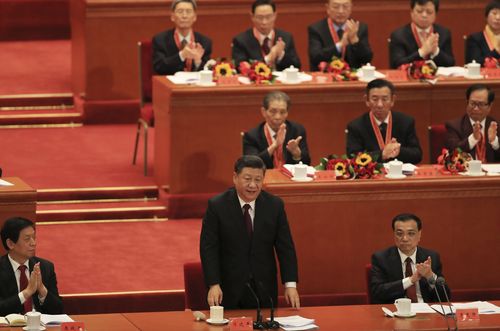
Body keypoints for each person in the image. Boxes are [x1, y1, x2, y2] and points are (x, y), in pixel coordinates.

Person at [200, 155, 300, 309]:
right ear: (235, 178)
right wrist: (214, 284)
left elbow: (285, 248)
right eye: (247, 179)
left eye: (258, 180)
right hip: (227, 289)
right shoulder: (217, 206)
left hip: (264, 288)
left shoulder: (274, 206)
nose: (253, 185)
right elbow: (208, 248)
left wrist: (290, 284)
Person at [370, 213, 450, 304]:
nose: (405, 238)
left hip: (426, 312)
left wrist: (430, 276)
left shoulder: (431, 257)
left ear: (419, 234)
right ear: (394, 234)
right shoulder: (381, 258)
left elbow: (445, 297)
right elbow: (377, 293)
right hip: (395, 311)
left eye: (411, 233)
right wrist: (411, 280)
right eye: (399, 233)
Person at [346, 79, 422, 164]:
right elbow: (353, 157)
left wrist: (398, 150)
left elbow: (417, 155)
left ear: (392, 100)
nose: (380, 105)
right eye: (374, 99)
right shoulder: (356, 126)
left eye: (385, 99)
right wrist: (382, 154)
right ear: (367, 100)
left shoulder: (406, 122)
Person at [0, 217, 63, 315]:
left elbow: (59, 310)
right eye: (27, 239)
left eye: (34, 237)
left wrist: (42, 290)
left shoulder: (45, 267)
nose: (33, 243)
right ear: (10, 243)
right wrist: (26, 293)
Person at [243, 91, 310, 169]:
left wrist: (297, 155)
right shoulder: (252, 136)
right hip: (264, 179)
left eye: (282, 112)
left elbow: (307, 164)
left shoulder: (297, 130)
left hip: (291, 179)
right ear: (264, 112)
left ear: (287, 113)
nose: (278, 117)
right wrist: (275, 145)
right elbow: (251, 165)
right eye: (273, 111)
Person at [232, 0, 301, 71]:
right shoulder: (240, 40)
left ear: (275, 16)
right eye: (260, 17)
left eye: (268, 17)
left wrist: (281, 55)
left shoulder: (286, 37)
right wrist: (269, 58)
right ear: (252, 17)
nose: (264, 22)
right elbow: (241, 69)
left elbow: (297, 66)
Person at [308, 0, 373, 71]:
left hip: (353, 76)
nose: (341, 11)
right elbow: (315, 57)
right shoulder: (316, 29)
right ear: (328, 8)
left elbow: (367, 59)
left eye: (345, 6)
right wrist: (340, 45)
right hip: (326, 76)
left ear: (351, 8)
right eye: (336, 7)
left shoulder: (359, 28)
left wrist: (355, 41)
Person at [389, 0, 454, 69]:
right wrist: (422, 52)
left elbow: (451, 63)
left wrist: (436, 51)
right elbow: (396, 64)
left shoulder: (443, 33)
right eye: (419, 11)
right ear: (412, 12)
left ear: (435, 14)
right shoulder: (399, 35)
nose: (424, 15)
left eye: (429, 12)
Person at [152, 0, 212, 75]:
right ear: (172, 16)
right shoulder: (160, 40)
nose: (184, 16)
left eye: (188, 11)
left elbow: (208, 72)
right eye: (180, 11)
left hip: (195, 86)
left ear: (195, 17)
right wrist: (182, 55)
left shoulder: (204, 42)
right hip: (170, 85)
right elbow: (159, 67)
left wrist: (197, 62)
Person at [445, 84, 500, 162]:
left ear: (490, 106)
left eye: (480, 104)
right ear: (467, 102)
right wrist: (473, 139)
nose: (476, 108)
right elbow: (453, 152)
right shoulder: (454, 126)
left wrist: (495, 142)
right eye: (472, 103)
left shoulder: (496, 126)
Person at [465, 0, 500, 66]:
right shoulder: (475, 39)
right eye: (494, 13)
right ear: (486, 16)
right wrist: (497, 51)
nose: (498, 17)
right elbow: (474, 62)